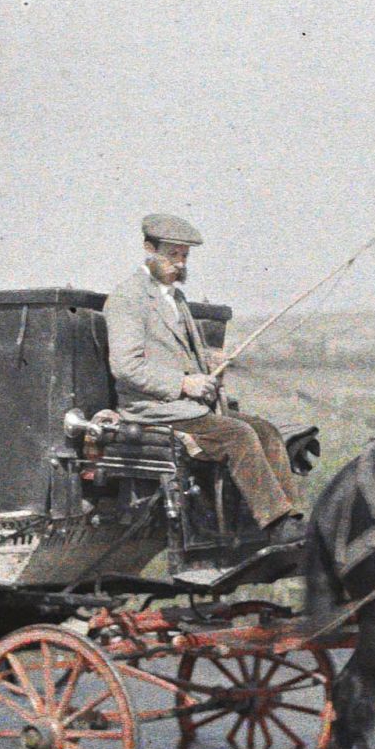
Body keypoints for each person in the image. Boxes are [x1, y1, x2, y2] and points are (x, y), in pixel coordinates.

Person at [105, 213, 304, 546]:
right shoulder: (128, 300)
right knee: (238, 434)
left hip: (187, 409)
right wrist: (183, 384)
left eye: (184, 256)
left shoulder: (175, 298)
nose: (179, 264)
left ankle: (290, 518)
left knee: (266, 431)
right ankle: (275, 524)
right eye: (172, 255)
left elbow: (181, 354)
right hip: (154, 410)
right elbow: (126, 366)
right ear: (148, 248)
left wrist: (212, 362)